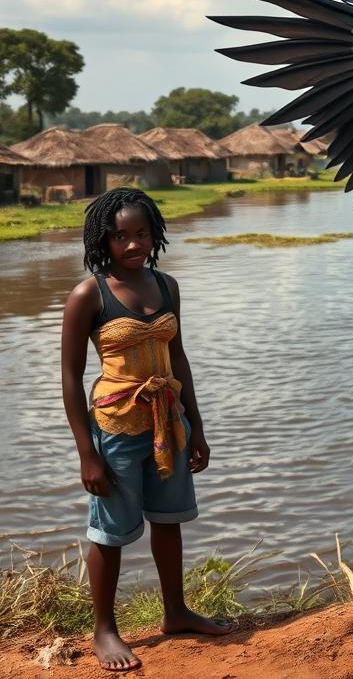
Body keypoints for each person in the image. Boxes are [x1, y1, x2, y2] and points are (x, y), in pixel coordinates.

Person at [60, 188, 231, 673]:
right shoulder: (88, 294)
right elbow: (71, 379)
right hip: (115, 427)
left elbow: (178, 358)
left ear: (155, 233)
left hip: (168, 421)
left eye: (141, 233)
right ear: (103, 240)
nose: (133, 244)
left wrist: (196, 426)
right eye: (120, 236)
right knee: (110, 532)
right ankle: (105, 629)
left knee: (169, 517)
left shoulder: (167, 284)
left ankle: (175, 612)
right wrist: (86, 454)